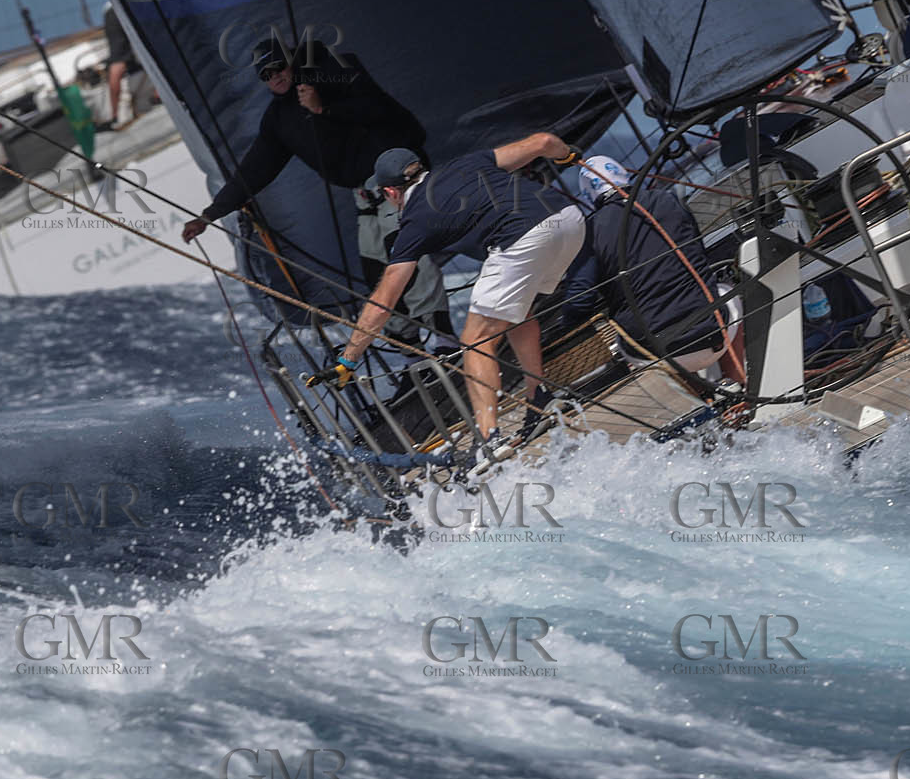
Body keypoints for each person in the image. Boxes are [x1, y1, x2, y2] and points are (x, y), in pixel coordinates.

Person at [309, 137, 585, 461]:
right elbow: (543, 141)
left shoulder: (415, 220)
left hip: (524, 237)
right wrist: (568, 156)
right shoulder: (466, 163)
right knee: (516, 313)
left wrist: (349, 360)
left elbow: (384, 300)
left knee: (475, 340)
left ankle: (489, 441)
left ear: (390, 193)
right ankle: (540, 399)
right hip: (569, 219)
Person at [180, 36, 454, 347]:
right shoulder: (279, 119)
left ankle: (445, 339)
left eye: (279, 67)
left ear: (293, 62)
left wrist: (324, 108)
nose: (275, 77)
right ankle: (410, 348)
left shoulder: (336, 74)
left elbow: (381, 111)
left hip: (397, 181)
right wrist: (209, 215)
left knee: (407, 257)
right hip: (365, 195)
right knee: (377, 272)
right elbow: (254, 170)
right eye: (266, 75)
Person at [563, 156, 745, 384]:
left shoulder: (587, 234)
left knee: (628, 336)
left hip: (654, 354)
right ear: (623, 175)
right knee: (725, 291)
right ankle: (738, 384)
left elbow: (579, 302)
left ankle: (699, 395)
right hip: (715, 335)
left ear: (589, 196)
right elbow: (696, 252)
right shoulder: (667, 199)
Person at [100, 3, 156, 130]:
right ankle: (115, 116)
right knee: (119, 63)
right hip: (127, 4)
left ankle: (114, 116)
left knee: (118, 61)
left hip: (118, 6)